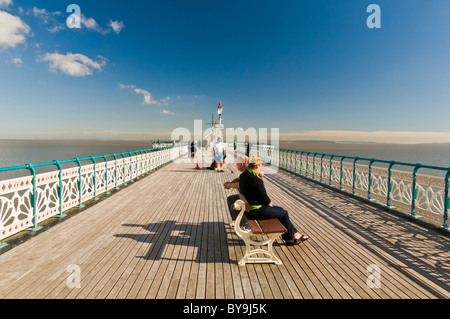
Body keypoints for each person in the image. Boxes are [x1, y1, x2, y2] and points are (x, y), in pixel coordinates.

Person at [239, 155, 309, 245]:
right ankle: (290, 238)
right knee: (283, 213)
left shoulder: (243, 175)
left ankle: (294, 234)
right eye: (260, 166)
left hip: (250, 210)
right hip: (257, 211)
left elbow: (242, 191)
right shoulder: (256, 179)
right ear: (257, 166)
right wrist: (270, 206)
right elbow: (264, 197)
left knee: (281, 211)